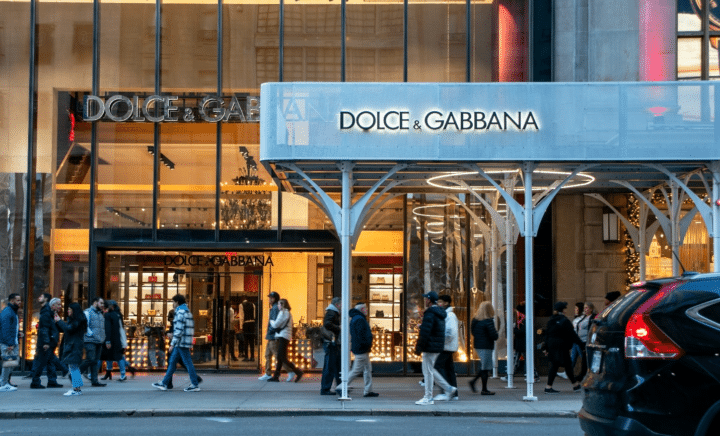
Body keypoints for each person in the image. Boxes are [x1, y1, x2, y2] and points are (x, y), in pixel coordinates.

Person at [153, 294, 201, 392]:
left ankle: (195, 384)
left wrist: (172, 343)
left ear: (177, 302)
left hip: (181, 342)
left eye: (173, 302)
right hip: (184, 341)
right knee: (172, 362)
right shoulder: (187, 312)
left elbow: (178, 330)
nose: (173, 304)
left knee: (187, 363)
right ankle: (164, 383)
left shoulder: (180, 313)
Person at [414, 291, 455, 406]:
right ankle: (448, 388)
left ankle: (428, 397)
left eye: (426, 299)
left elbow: (426, 332)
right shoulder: (439, 313)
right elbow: (434, 329)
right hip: (436, 346)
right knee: (430, 370)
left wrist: (419, 347)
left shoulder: (430, 313)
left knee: (427, 372)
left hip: (429, 346)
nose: (425, 301)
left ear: (429, 300)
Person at [338, 302, 378, 397]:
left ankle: (368, 390)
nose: (367, 310)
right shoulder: (360, 319)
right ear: (361, 309)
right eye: (365, 309)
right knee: (357, 369)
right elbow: (361, 335)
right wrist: (366, 343)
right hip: (362, 348)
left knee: (367, 369)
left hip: (360, 347)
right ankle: (341, 386)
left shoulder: (356, 318)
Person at [542, 301, 583, 394]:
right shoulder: (564, 320)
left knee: (562, 365)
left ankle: (575, 385)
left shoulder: (551, 320)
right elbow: (572, 334)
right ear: (563, 310)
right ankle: (549, 387)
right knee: (561, 365)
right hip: (561, 346)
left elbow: (547, 334)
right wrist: (581, 344)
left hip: (552, 345)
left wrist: (545, 347)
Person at [29, 294, 64, 389]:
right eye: (58, 304)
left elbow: (56, 328)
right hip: (46, 343)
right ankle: (35, 382)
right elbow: (44, 329)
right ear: (53, 305)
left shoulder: (52, 314)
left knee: (50, 363)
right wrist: (46, 342)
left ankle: (52, 381)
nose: (60, 306)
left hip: (50, 342)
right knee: (42, 362)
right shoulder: (47, 313)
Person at [259, 292, 294, 381]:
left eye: (271, 298)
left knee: (278, 356)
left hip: (273, 336)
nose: (270, 299)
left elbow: (275, 323)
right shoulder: (275, 308)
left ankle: (290, 371)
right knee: (268, 355)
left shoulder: (275, 309)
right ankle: (268, 373)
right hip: (271, 336)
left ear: (275, 299)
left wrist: (271, 333)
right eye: (270, 297)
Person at [267, 299, 304, 383]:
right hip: (284, 336)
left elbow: (276, 324)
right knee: (280, 358)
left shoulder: (283, 313)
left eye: (279, 304)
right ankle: (276, 376)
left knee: (282, 357)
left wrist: (271, 321)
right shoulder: (286, 313)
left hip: (283, 336)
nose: (278, 306)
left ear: (283, 305)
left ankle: (298, 372)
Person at [55, 302, 87, 396]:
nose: (68, 311)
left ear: (74, 310)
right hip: (74, 345)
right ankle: (77, 388)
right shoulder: (77, 319)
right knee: (74, 367)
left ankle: (76, 389)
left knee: (73, 367)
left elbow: (68, 329)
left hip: (74, 346)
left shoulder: (77, 320)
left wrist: (59, 321)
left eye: (69, 309)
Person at [469, 301, 499, 395]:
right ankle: (483, 389)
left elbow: (473, 332)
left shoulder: (475, 320)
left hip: (478, 345)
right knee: (485, 368)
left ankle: (475, 383)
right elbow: (494, 336)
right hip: (486, 346)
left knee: (485, 367)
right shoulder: (489, 321)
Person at [433, 294, 458, 401]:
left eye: (440, 302)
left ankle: (446, 391)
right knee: (449, 369)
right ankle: (454, 393)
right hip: (447, 346)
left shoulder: (449, 315)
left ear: (446, 303)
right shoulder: (446, 314)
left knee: (438, 367)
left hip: (446, 346)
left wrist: (440, 340)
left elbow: (450, 332)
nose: (438, 304)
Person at [78, 297, 106, 387]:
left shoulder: (100, 314)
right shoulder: (87, 312)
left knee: (95, 361)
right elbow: (84, 325)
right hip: (90, 340)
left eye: (103, 304)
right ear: (95, 302)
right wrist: (91, 334)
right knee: (90, 359)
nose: (102, 305)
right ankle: (75, 374)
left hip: (99, 340)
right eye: (101, 303)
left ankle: (94, 381)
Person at [100, 300, 129, 381]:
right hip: (118, 339)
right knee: (119, 357)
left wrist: (107, 340)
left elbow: (108, 328)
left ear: (111, 307)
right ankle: (123, 374)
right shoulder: (118, 315)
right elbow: (121, 328)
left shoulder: (108, 315)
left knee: (107, 357)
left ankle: (108, 372)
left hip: (110, 339)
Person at [0, 293, 23, 392]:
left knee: (11, 363)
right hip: (8, 344)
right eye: (18, 300)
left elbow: (11, 328)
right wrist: (9, 344)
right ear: (12, 300)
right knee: (8, 363)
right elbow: (5, 329)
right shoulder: (8, 312)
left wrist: (18, 334)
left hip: (11, 342)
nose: (20, 302)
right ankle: (3, 384)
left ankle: (5, 382)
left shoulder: (12, 311)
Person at [320, 296, 342, 395]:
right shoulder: (332, 312)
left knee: (336, 366)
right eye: (341, 304)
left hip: (332, 342)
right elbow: (327, 324)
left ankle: (339, 386)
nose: (342, 306)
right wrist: (338, 327)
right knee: (330, 366)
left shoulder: (333, 312)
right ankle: (325, 388)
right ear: (337, 304)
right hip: (331, 342)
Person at [571, 302, 596, 381]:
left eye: (587, 308)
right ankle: (582, 374)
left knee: (586, 358)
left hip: (586, 340)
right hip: (580, 340)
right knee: (583, 358)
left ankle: (586, 375)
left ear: (591, 309)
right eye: (584, 308)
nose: (585, 309)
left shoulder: (592, 317)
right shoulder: (584, 317)